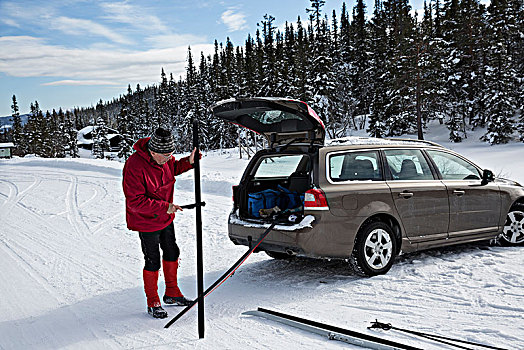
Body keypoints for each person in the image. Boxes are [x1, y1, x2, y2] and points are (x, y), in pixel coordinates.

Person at [122, 127, 201, 319]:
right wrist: (165, 207)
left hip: (165, 217)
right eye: (165, 155)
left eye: (171, 154)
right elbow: (134, 202)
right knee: (153, 259)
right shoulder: (134, 165)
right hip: (146, 220)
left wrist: (189, 162)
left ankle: (172, 293)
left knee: (172, 252)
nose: (168, 158)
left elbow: (173, 168)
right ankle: (153, 301)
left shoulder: (164, 158)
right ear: (152, 151)